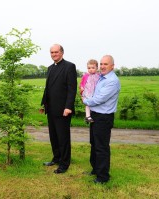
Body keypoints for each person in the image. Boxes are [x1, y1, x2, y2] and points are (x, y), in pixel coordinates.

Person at [82, 55, 121, 184]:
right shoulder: (101, 78)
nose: (103, 66)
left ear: (112, 66)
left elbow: (99, 99)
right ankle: (95, 169)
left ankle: (103, 177)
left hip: (104, 117)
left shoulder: (112, 81)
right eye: (101, 64)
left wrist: (85, 100)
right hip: (95, 115)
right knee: (94, 143)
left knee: (101, 147)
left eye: (106, 64)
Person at [40, 44, 77, 174]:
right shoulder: (50, 68)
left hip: (63, 110)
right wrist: (43, 103)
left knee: (63, 137)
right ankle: (56, 158)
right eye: (52, 52)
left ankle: (64, 163)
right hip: (51, 108)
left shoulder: (69, 67)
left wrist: (68, 107)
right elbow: (48, 88)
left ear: (62, 52)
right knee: (53, 136)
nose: (54, 54)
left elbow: (72, 89)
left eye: (56, 52)